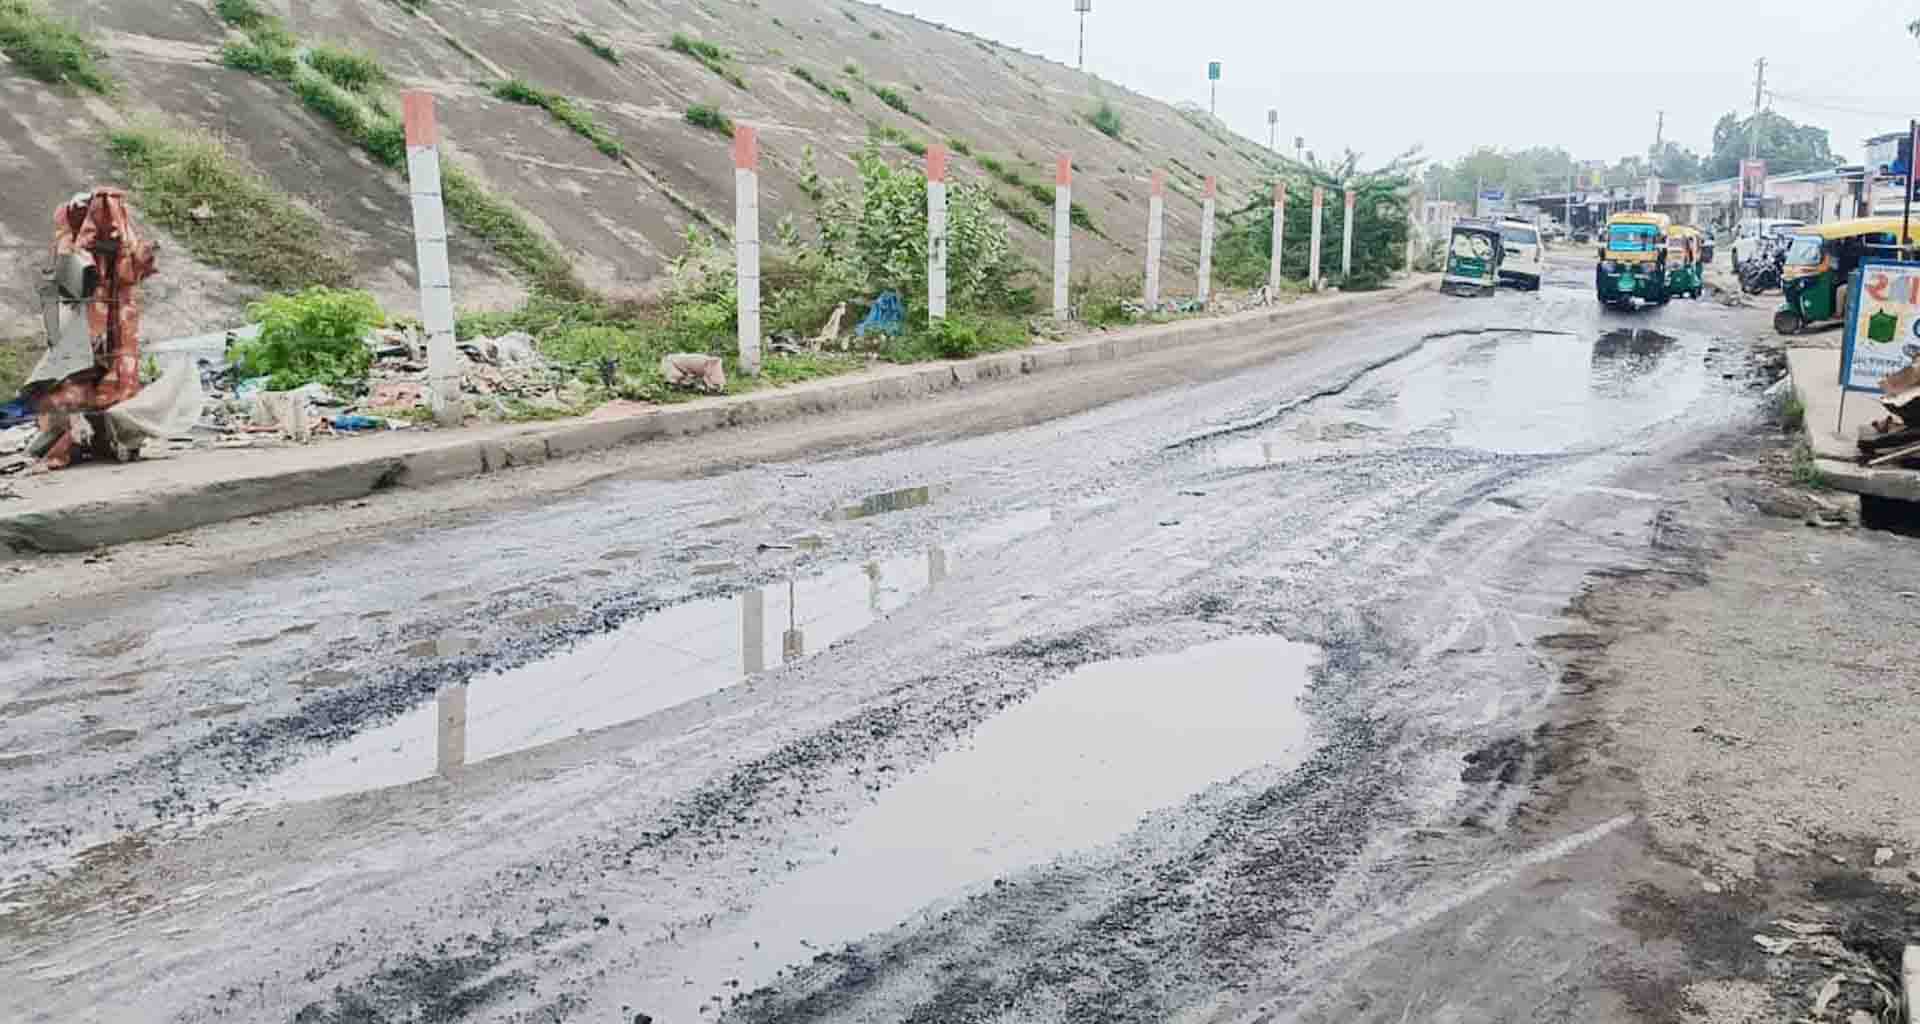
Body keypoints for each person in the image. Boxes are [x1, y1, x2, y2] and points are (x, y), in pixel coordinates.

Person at [23, 189, 158, 471]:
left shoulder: (117, 241)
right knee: (72, 377)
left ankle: (113, 440)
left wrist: (146, 253)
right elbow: (71, 275)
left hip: (114, 315)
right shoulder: (71, 238)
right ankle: (62, 442)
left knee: (115, 374)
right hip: (84, 314)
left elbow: (130, 271)